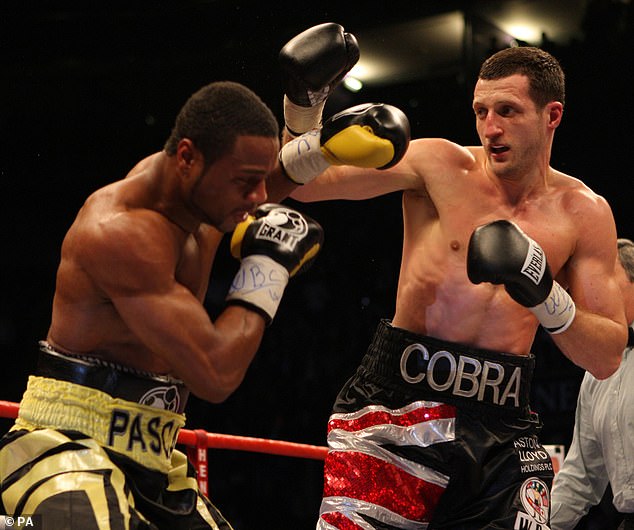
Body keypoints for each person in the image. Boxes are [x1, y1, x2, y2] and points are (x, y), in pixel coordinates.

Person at [276, 26, 628, 529]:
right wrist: (302, 106)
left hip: (504, 425)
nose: (490, 128)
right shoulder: (437, 163)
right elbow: (306, 188)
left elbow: (607, 355)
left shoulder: (584, 214)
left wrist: (542, 292)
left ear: (552, 116)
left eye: (507, 111)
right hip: (398, 404)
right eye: (481, 111)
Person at [0, 81, 329, 530]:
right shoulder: (122, 234)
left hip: (155, 460)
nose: (258, 200)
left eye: (259, 180)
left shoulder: (199, 201)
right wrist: (268, 269)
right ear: (188, 158)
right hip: (65, 448)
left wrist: (322, 148)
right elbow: (215, 374)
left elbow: (259, 178)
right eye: (244, 183)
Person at [550, 238, 634, 530]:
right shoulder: (598, 371)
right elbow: (581, 476)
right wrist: (540, 526)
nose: (594, 293)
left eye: (605, 280)